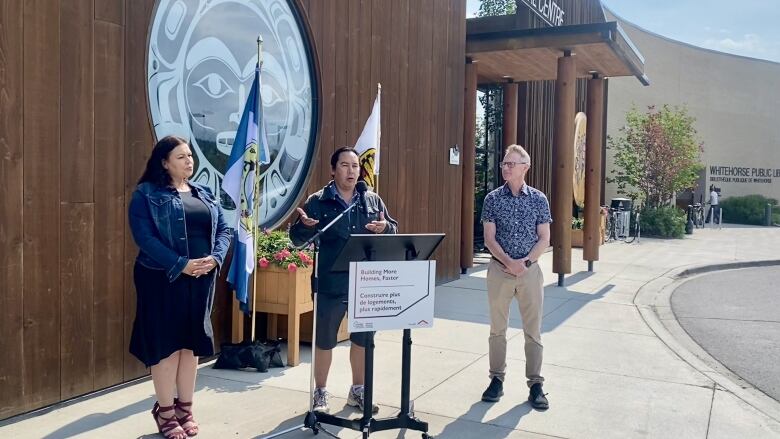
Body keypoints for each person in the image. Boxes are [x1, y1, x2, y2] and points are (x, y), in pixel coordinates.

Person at [128, 135, 231, 438]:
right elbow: (145, 238)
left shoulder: (206, 192)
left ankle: (185, 408)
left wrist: (215, 258)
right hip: (162, 278)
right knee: (167, 346)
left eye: (190, 155)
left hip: (201, 278)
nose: (189, 161)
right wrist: (180, 264)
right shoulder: (145, 194)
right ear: (164, 163)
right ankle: (166, 412)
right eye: (181, 157)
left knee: (191, 343)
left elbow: (224, 228)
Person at [290, 146, 398, 414]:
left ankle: (357, 391)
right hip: (331, 283)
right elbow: (297, 240)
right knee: (325, 339)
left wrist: (385, 229)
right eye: (345, 165)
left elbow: (394, 229)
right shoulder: (318, 201)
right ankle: (320, 393)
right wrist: (304, 228)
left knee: (362, 339)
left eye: (355, 166)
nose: (352, 171)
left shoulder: (371, 200)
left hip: (366, 282)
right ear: (333, 170)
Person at [480, 144, 552, 410]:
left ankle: (535, 384)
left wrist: (526, 263)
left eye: (511, 164)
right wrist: (509, 262)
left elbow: (544, 238)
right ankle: (496, 380)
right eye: (504, 164)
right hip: (500, 271)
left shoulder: (539, 199)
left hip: (529, 273)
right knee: (497, 330)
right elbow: (489, 238)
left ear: (525, 167)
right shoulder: (492, 199)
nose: (506, 168)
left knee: (533, 331)